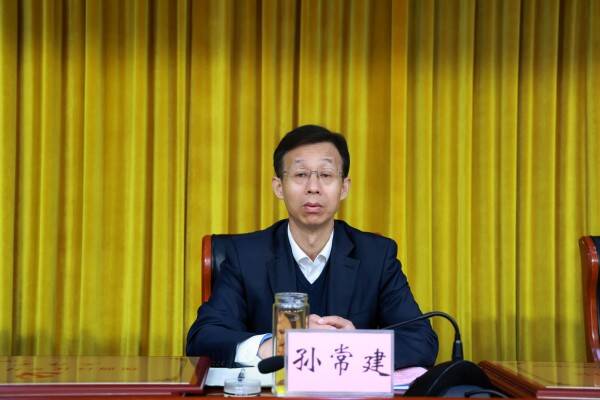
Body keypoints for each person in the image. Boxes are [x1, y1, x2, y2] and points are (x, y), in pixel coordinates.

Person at [186, 125, 438, 369]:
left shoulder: (376, 256)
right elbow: (203, 338)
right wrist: (276, 346)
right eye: (300, 175)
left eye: (326, 175)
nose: (313, 188)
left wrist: (356, 345)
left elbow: (421, 340)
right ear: (278, 187)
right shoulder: (246, 255)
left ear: (344, 187)